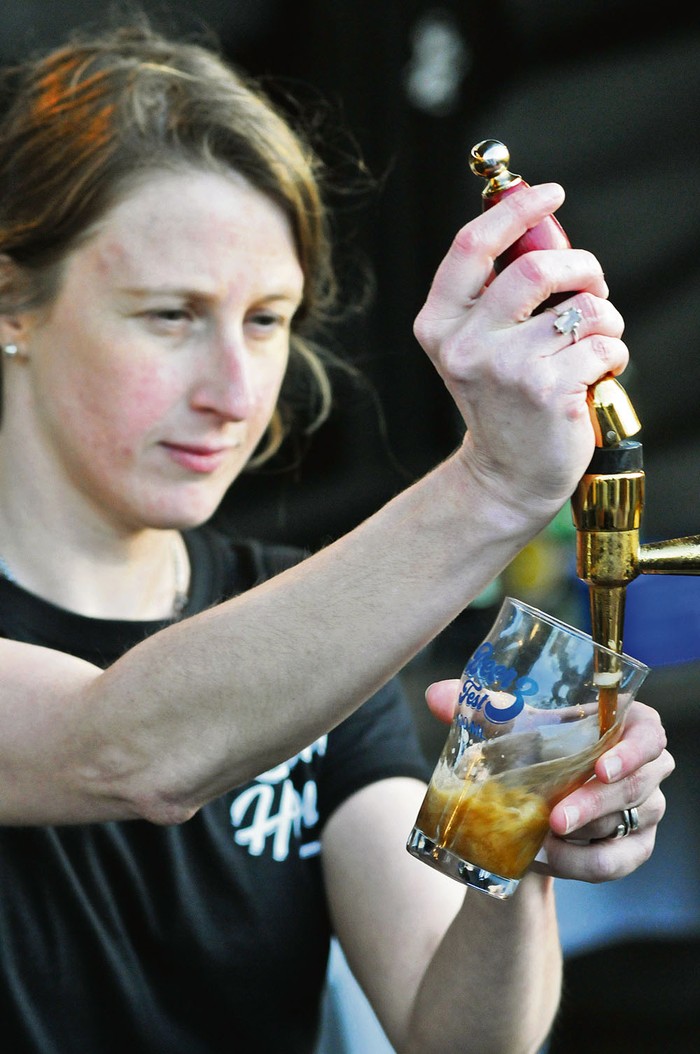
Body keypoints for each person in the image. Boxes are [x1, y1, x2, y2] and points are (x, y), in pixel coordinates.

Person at [0, 18, 673, 1054]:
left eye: (267, 320)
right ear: (13, 303)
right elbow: (130, 747)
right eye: (170, 315)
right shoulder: (318, 635)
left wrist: (522, 833)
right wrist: (493, 483)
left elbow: (456, 1039)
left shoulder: (318, 627)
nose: (233, 392)